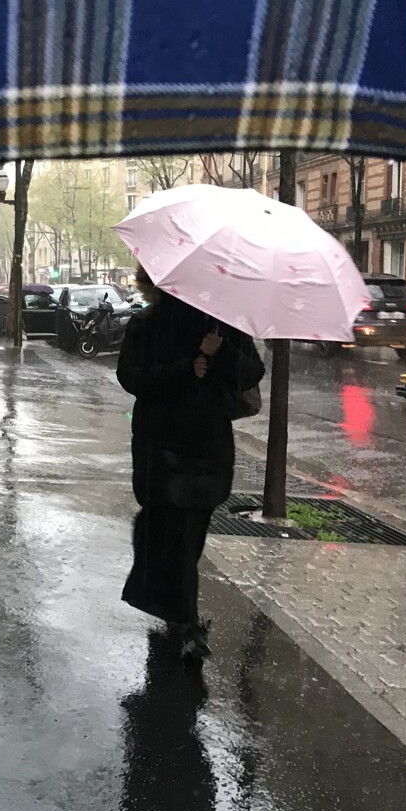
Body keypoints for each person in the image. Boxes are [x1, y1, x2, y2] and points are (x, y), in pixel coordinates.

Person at [117, 265, 265, 664]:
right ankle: (186, 623)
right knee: (177, 535)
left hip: (203, 449)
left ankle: (178, 611)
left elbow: (253, 372)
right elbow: (130, 376)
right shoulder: (149, 323)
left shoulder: (222, 324)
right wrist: (185, 368)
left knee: (186, 537)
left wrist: (221, 354)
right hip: (162, 447)